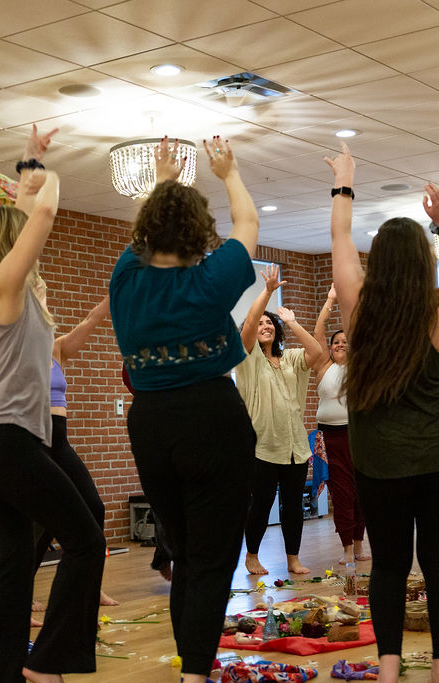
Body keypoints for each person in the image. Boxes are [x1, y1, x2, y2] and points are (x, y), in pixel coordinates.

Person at [326, 141, 439, 683]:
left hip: (380, 457)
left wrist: (345, 181)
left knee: (389, 565)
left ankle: (388, 668)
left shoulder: (358, 302)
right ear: (421, 260)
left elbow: (340, 238)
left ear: (380, 261)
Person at [109, 136, 260, 683]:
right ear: (198, 233)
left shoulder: (124, 281)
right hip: (210, 419)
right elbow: (246, 226)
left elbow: (138, 235)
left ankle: (189, 669)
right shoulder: (207, 282)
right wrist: (228, 172)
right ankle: (195, 674)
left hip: (149, 424)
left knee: (186, 555)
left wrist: (164, 181)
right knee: (214, 560)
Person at [0, 125, 106, 683]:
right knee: (88, 540)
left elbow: (25, 213)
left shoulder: (7, 292)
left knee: (17, 558)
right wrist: (51, 178)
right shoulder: (1, 291)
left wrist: (30, 160)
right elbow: (39, 217)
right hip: (3, 443)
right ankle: (47, 664)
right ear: (8, 245)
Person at [236, 265, 326, 576]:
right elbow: (248, 323)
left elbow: (317, 353)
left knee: (293, 507)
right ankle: (251, 555)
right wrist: (269, 291)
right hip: (263, 446)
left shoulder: (289, 358)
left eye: (270, 322)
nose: (265, 326)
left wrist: (292, 321)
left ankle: (292, 559)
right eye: (261, 323)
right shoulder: (248, 358)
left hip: (296, 447)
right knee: (259, 505)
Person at [32, 295, 118, 606]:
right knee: (42, 521)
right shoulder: (16, 351)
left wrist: (106, 305)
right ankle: (23, 590)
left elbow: (89, 322)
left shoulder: (55, 348)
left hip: (60, 442)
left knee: (93, 507)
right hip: (36, 442)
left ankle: (88, 584)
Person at [312, 284, 368, 566]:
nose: (341, 345)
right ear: (331, 349)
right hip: (329, 440)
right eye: (337, 343)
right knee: (342, 495)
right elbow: (318, 334)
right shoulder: (323, 365)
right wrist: (331, 300)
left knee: (361, 493)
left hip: (358, 437)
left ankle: (359, 546)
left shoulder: (360, 367)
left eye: (346, 342)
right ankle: (346, 548)